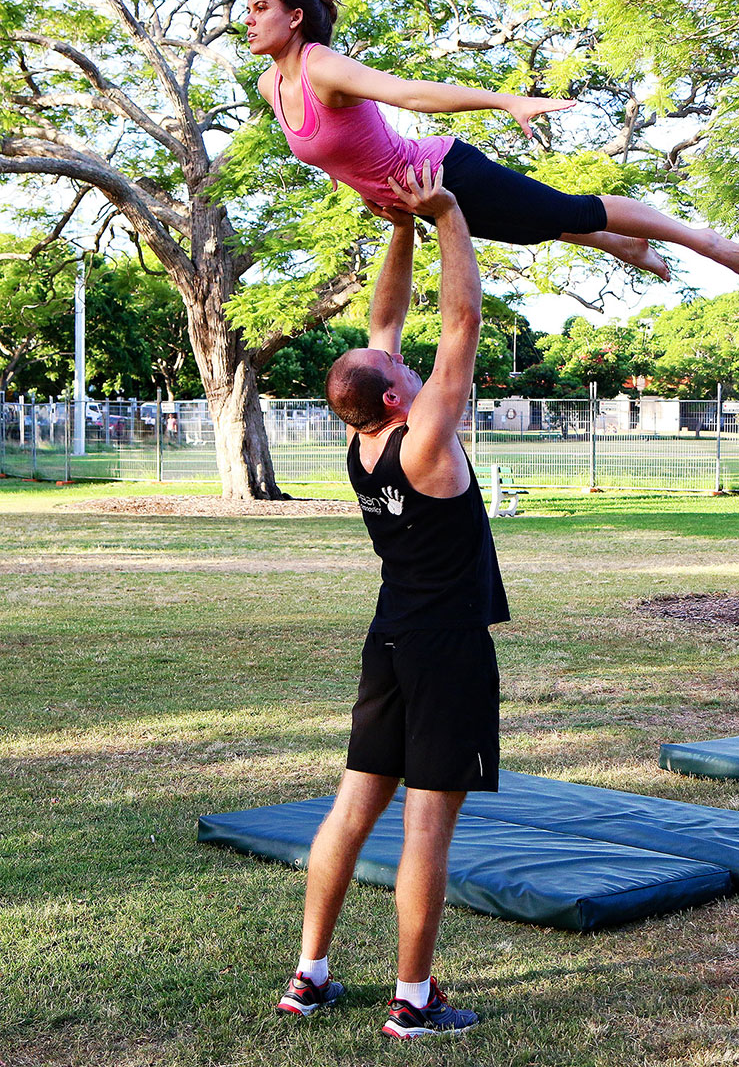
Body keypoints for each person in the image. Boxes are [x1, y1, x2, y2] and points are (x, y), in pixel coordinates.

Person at [276, 162, 510, 1039]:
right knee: (424, 831)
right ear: (390, 397)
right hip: (446, 646)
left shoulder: (362, 439)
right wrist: (446, 212)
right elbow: (462, 321)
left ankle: (310, 975)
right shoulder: (425, 441)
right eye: (400, 373)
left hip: (390, 642)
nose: (410, 369)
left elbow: (386, 325)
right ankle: (411, 1002)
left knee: (351, 807)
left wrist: (398, 227)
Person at [245, 0, 739, 285]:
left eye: (260, 8)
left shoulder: (322, 66)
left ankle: (704, 241)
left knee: (573, 209)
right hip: (416, 199)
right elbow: (338, 146)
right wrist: (366, 187)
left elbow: (412, 94)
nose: (247, 19)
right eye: (246, 10)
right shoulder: (271, 86)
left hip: (445, 172)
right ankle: (618, 243)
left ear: (293, 18)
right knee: (527, 229)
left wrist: (506, 100)